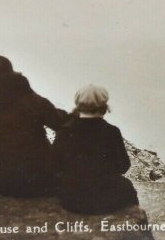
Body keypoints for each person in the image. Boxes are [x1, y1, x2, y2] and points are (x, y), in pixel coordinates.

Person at [0, 55, 71, 197]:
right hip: (43, 180)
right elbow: (59, 123)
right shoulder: (27, 96)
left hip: (7, 183)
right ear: (11, 72)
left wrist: (1, 161)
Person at [51, 84, 139, 214]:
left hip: (73, 200)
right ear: (104, 108)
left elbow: (55, 165)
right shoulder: (112, 131)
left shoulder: (65, 131)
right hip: (106, 199)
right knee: (127, 187)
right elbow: (123, 166)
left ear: (78, 107)